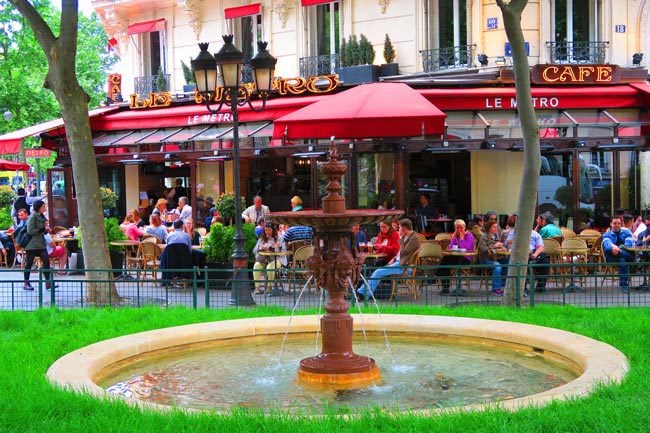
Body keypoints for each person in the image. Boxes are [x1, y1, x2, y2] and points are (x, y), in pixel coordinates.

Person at [357, 219, 420, 297]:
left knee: (378, 272)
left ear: (404, 229)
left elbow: (404, 253)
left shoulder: (413, 238)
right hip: (399, 263)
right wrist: (393, 259)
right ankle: (363, 292)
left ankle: (362, 293)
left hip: (404, 266)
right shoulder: (408, 237)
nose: (398, 230)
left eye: (399, 228)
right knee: (377, 270)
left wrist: (400, 240)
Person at [506, 222, 550, 296]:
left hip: (532, 253)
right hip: (519, 254)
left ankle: (540, 287)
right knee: (523, 263)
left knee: (545, 261)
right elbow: (508, 243)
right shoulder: (513, 233)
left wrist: (535, 254)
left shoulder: (535, 234)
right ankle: (523, 288)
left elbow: (540, 246)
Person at [437, 219, 475, 294]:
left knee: (446, 262)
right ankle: (446, 288)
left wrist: (461, 238)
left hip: (465, 258)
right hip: (456, 257)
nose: (459, 230)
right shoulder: (455, 236)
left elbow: (466, 248)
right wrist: (453, 238)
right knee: (445, 261)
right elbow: (451, 247)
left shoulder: (469, 236)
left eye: (461, 227)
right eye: (457, 228)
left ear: (464, 227)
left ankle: (435, 274)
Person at [23, 200, 54, 291]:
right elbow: (30, 231)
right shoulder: (33, 216)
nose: (45, 208)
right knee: (29, 263)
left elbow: (42, 229)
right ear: (39, 207)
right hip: (31, 245)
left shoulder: (41, 216)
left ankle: (48, 282)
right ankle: (26, 283)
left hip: (40, 244)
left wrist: (45, 230)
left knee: (46, 261)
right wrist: (41, 230)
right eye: (43, 207)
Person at [602, 216, 635, 292]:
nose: (617, 225)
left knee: (622, 259)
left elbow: (629, 244)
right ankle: (624, 285)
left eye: (619, 223)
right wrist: (613, 247)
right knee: (627, 257)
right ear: (611, 224)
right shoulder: (607, 234)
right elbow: (607, 246)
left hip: (622, 255)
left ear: (621, 224)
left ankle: (624, 285)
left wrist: (619, 248)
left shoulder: (626, 232)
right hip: (611, 257)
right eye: (614, 223)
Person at [252, 224, 287, 294]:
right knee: (256, 266)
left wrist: (273, 248)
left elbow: (284, 250)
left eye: (269, 230)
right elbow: (254, 251)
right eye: (266, 230)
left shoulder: (280, 238)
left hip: (277, 259)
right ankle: (257, 288)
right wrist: (260, 248)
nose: (267, 232)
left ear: (273, 231)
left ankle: (269, 287)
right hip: (264, 259)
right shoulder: (261, 239)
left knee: (269, 268)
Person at [478, 221, 507, 295]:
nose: (496, 229)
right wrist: (494, 246)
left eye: (496, 227)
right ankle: (496, 289)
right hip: (486, 259)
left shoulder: (496, 236)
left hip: (496, 258)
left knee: (508, 262)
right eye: (494, 227)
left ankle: (504, 285)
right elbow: (483, 249)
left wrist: (502, 247)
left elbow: (498, 247)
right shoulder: (484, 236)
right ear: (489, 228)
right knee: (497, 266)